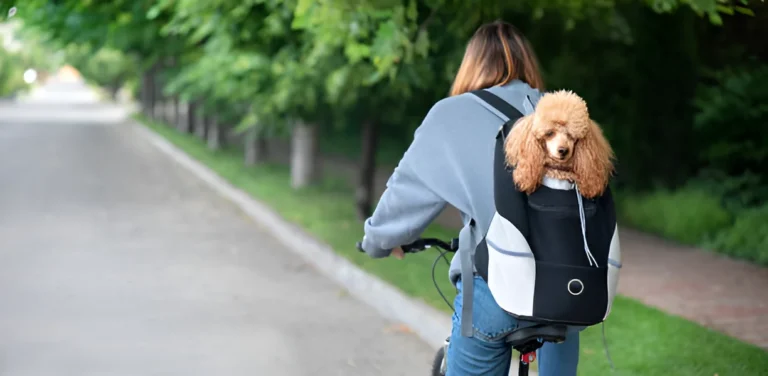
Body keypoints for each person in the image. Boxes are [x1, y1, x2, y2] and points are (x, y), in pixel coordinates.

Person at [358, 21, 581, 375]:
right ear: (528, 64)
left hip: (495, 289)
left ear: (471, 65)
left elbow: (406, 196)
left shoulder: (450, 115)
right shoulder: (562, 116)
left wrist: (378, 242)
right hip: (570, 292)